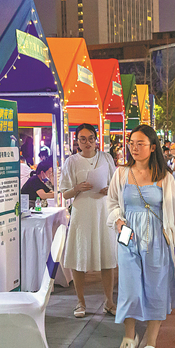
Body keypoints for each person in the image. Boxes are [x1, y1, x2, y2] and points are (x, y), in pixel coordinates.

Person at [107, 125, 175, 348]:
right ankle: (129, 337)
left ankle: (151, 344)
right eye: (131, 143)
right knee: (130, 287)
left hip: (157, 239)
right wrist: (118, 220)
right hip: (128, 238)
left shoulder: (165, 177)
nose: (134, 148)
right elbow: (111, 203)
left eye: (140, 143)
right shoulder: (121, 173)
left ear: (152, 147)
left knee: (156, 288)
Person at [60, 123, 117, 319]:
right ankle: (80, 301)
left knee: (107, 257)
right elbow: (65, 193)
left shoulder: (106, 158)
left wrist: (110, 189)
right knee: (79, 255)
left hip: (103, 209)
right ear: (77, 141)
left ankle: (109, 301)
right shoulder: (71, 162)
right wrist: (77, 188)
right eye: (82, 139)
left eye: (91, 138)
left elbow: (116, 185)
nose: (87, 143)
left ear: (96, 139)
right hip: (82, 211)